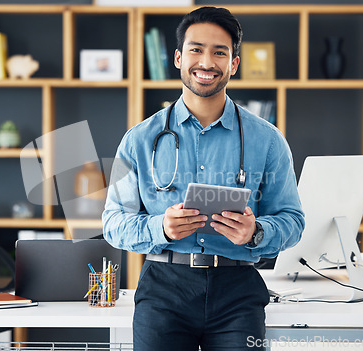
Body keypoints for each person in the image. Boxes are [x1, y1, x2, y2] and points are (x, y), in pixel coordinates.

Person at [102, 6, 305, 351]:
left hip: (238, 292)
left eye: (219, 52)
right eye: (196, 50)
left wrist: (256, 233)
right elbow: (113, 222)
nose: (206, 62)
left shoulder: (267, 140)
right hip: (164, 290)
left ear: (233, 64)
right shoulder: (138, 139)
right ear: (179, 58)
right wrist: (160, 229)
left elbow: (293, 221)